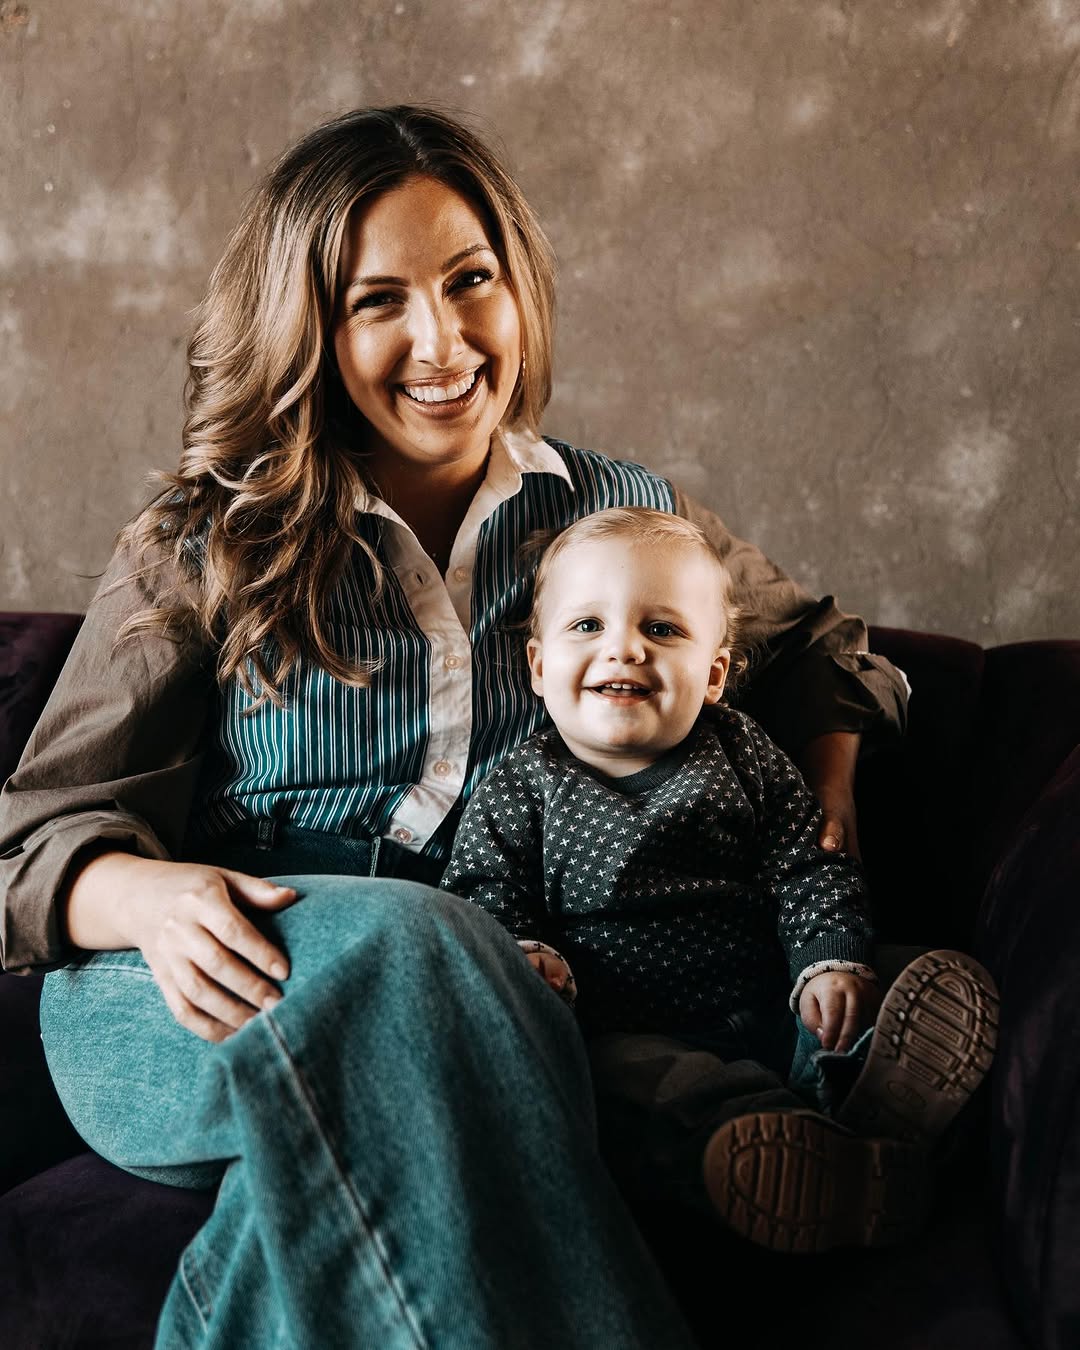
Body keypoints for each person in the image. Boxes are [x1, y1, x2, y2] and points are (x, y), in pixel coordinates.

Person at [0, 105, 911, 1346]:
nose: (442, 340)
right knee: (427, 950)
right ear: (311, 327)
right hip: (182, 993)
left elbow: (816, 649)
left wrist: (829, 791)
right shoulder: (206, 538)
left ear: (518, 286)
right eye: (378, 300)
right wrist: (146, 900)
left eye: (470, 280)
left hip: (481, 1008)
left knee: (358, 1120)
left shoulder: (616, 519)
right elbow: (28, 844)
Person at [440, 507, 999, 1253]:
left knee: (890, 980)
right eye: (588, 626)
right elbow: (484, 889)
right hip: (629, 1028)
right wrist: (527, 952)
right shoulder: (523, 784)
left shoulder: (742, 754)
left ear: (713, 676)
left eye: (661, 629)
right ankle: (792, 1147)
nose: (624, 648)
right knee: (628, 1087)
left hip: (778, 998)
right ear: (538, 668)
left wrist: (830, 963)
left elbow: (810, 866)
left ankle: (866, 1095)